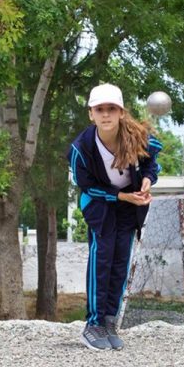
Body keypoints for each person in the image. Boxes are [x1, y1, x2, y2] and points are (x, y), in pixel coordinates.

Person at [68, 83, 162, 351]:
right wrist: (122, 196)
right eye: (100, 109)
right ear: (91, 114)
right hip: (100, 206)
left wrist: (147, 179)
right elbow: (87, 186)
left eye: (111, 109)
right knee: (102, 260)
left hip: (129, 206)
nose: (106, 114)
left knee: (121, 260)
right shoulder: (81, 148)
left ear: (121, 112)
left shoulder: (138, 137)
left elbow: (151, 163)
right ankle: (93, 324)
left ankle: (110, 320)